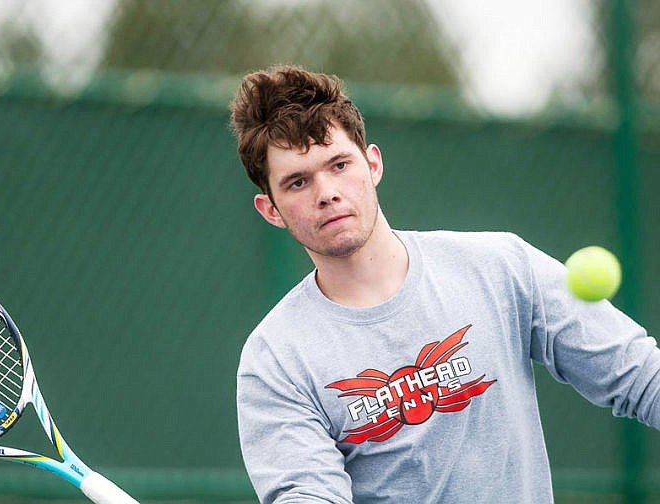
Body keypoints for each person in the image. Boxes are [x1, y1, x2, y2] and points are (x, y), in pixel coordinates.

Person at [229, 65, 660, 503]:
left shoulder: (501, 267)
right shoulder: (275, 358)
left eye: (339, 165)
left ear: (373, 164)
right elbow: (306, 493)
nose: (326, 193)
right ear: (271, 211)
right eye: (298, 182)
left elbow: (640, 375)